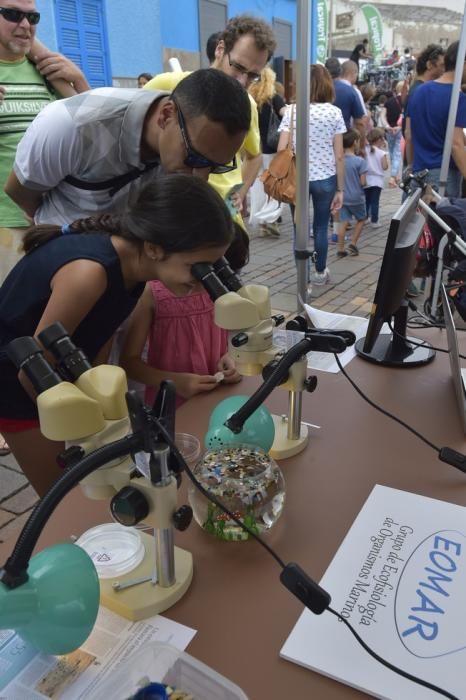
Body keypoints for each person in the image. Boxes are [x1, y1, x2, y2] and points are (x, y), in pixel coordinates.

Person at [0, 174, 234, 497]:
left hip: (53, 384)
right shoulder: (89, 274)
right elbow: (33, 375)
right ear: (154, 248)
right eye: (198, 267)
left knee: (97, 481)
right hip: (17, 390)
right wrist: (85, 429)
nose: (203, 279)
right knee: (63, 498)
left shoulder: (135, 271)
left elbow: (99, 339)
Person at [5, 69, 250, 225]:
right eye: (195, 157)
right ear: (166, 116)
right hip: (62, 262)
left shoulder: (188, 132)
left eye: (216, 167)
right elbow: (21, 191)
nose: (201, 177)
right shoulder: (73, 124)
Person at [144, 14, 276, 224]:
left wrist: (241, 194)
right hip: (173, 216)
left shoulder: (247, 104)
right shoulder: (168, 85)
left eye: (253, 76)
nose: (243, 81)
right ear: (220, 50)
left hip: (224, 219)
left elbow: (254, 156)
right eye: (238, 68)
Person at [0, 1, 89, 283]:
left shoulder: (50, 70)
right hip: (5, 225)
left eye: (33, 17)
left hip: (54, 222)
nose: (25, 25)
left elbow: (94, 131)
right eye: (12, 15)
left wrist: (82, 83)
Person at [120, 224, 249, 409]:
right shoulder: (152, 293)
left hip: (220, 396)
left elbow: (239, 335)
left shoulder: (223, 290)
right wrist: (175, 382)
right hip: (171, 403)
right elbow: (129, 362)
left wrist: (234, 357)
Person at [278, 64, 345, 291]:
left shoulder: (292, 111)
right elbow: (339, 155)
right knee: (320, 227)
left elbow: (281, 147)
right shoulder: (334, 113)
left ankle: (303, 281)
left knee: (299, 229)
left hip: (296, 178)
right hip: (325, 178)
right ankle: (319, 272)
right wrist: (340, 189)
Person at [405, 40, 466, 197]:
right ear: (463, 63)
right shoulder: (457, 98)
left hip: (419, 173)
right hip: (444, 175)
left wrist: (411, 166)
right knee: (445, 220)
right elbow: (456, 145)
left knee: (424, 221)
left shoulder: (418, 91)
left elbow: (409, 134)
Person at [248, 65, 286, 237]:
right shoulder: (274, 98)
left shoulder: (249, 98)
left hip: (253, 149)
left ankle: (262, 222)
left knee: (257, 186)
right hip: (272, 148)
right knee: (274, 184)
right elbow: (286, 115)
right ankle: (270, 220)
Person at [337, 129, 367, 258]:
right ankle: (353, 243)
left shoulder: (339, 160)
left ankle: (340, 248)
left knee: (343, 221)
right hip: (356, 197)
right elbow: (363, 182)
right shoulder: (360, 161)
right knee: (361, 219)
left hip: (342, 196)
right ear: (355, 142)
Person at [327, 59, 366, 143]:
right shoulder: (352, 91)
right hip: (344, 140)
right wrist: (362, 145)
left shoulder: (322, 88)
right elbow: (360, 122)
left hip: (322, 137)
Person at [378, 81, 404, 187]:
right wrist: (400, 127)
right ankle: (393, 177)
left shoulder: (388, 102)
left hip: (389, 130)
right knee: (397, 153)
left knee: (392, 152)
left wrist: (388, 127)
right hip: (400, 129)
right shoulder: (406, 101)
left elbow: (382, 116)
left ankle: (395, 174)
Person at [364, 128, 388, 229]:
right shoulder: (381, 153)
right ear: (378, 140)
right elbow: (385, 167)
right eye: (382, 138)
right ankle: (374, 221)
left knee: (366, 200)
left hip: (366, 179)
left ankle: (365, 218)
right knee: (375, 201)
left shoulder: (365, 150)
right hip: (377, 181)